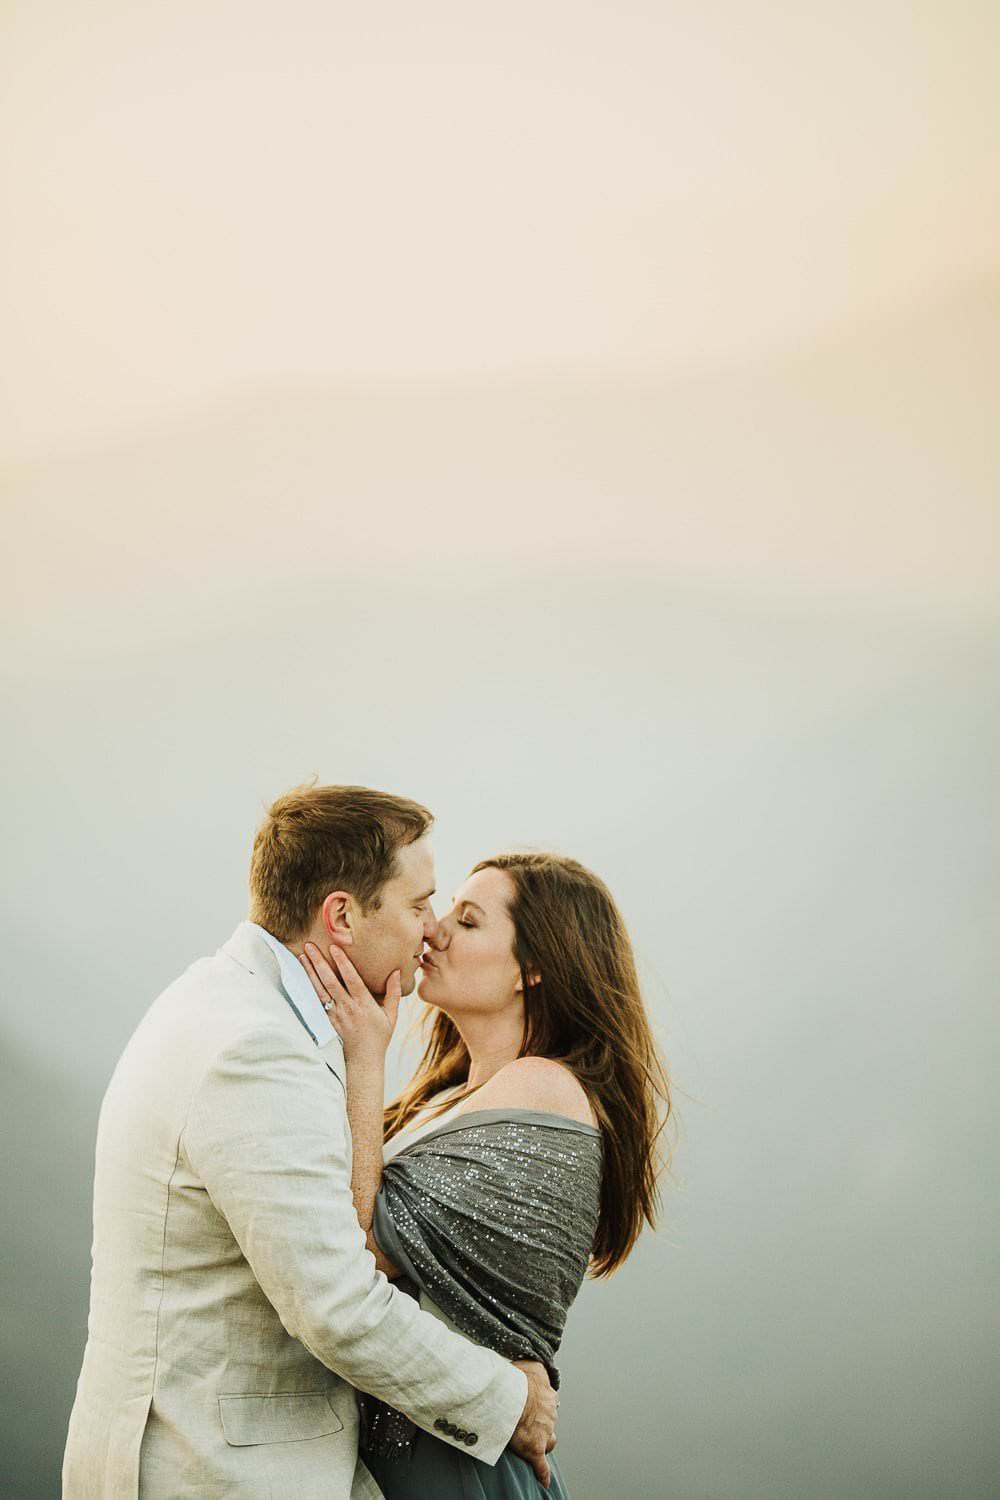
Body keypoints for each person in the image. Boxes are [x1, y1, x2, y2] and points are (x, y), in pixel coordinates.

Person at [63, 785, 558, 1500]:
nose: (432, 930)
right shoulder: (255, 1052)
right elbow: (336, 1306)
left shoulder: (217, 998)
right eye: (419, 905)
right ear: (343, 915)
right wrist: (510, 1401)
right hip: (220, 1475)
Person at [300, 848, 672, 1498]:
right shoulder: (456, 1095)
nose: (435, 929)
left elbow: (361, 1247)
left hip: (459, 1472)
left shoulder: (543, 1087)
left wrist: (366, 1056)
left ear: (531, 968)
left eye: (468, 922)